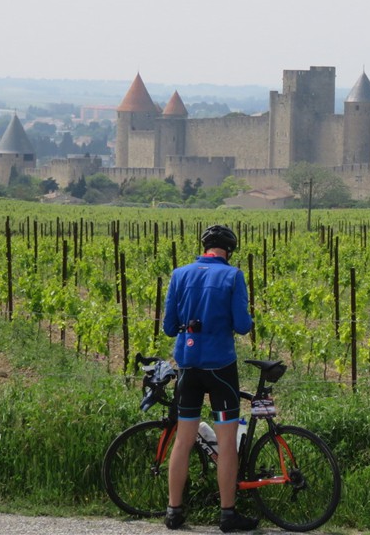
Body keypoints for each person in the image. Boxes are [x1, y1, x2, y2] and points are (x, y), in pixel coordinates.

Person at [161, 224, 256, 532]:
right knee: (227, 443)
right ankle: (227, 515)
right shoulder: (232, 275)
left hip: (188, 365)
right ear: (228, 251)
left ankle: (174, 512)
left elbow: (169, 327)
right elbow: (242, 325)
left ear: (204, 248)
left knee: (183, 440)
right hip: (221, 367)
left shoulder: (179, 274)